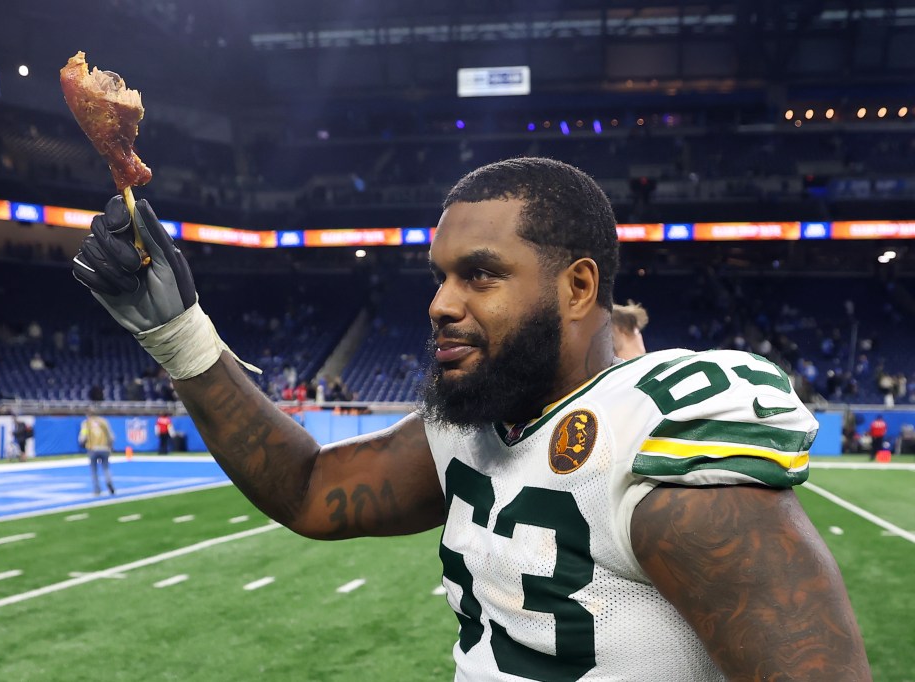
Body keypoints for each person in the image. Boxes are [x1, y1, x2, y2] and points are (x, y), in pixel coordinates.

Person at [73, 158, 871, 679]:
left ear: (578, 288)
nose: (441, 304)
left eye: (481, 275)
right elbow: (311, 490)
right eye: (440, 276)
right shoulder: (471, 426)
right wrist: (180, 336)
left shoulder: (659, 438)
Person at [78, 408, 115, 496]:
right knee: (106, 468)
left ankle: (97, 489)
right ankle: (109, 482)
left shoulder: (86, 423)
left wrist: (82, 443)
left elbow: (83, 436)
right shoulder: (104, 422)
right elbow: (110, 435)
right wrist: (111, 445)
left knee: (94, 470)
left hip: (92, 448)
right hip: (104, 448)